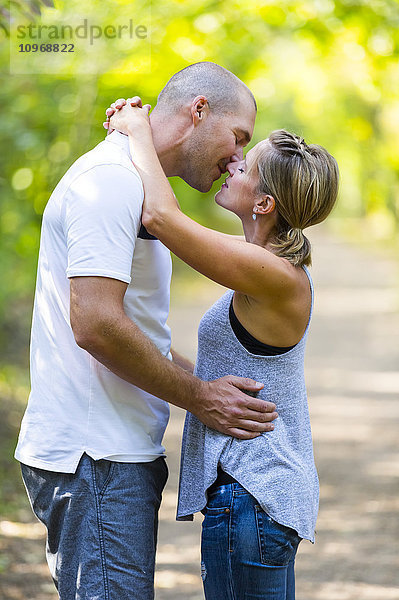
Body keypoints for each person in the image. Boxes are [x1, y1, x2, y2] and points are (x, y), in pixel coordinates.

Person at [14, 63, 279, 600]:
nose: (237, 157)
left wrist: (209, 385)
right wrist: (199, 398)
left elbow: (133, 329)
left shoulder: (135, 181)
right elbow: (95, 325)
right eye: (238, 137)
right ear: (199, 110)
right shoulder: (109, 183)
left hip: (115, 455)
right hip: (96, 458)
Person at [105, 99, 339, 600]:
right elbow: (224, 367)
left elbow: (162, 217)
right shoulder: (264, 267)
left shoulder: (274, 273)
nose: (234, 163)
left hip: (253, 495)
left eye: (246, 165)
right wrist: (163, 370)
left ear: (264, 204)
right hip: (252, 499)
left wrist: (138, 130)